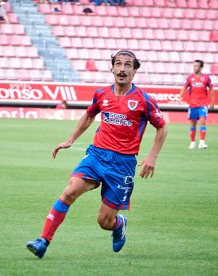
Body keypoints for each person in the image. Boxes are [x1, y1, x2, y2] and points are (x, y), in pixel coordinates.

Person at [26, 50, 168, 259]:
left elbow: (162, 128)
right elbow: (89, 115)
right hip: (97, 156)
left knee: (104, 222)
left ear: (135, 70)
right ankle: (43, 241)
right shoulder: (102, 94)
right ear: (111, 68)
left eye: (128, 65)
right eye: (118, 64)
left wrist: (152, 157)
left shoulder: (144, 100)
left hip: (123, 164)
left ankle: (119, 224)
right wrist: (70, 139)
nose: (122, 69)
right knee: (69, 191)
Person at [179, 59, 215, 149]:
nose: (194, 67)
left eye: (196, 66)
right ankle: (192, 142)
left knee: (203, 121)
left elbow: (212, 89)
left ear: (201, 67)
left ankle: (202, 142)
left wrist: (212, 102)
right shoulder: (190, 78)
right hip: (193, 105)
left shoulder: (206, 78)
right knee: (193, 123)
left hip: (203, 104)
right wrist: (180, 96)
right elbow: (184, 87)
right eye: (194, 66)